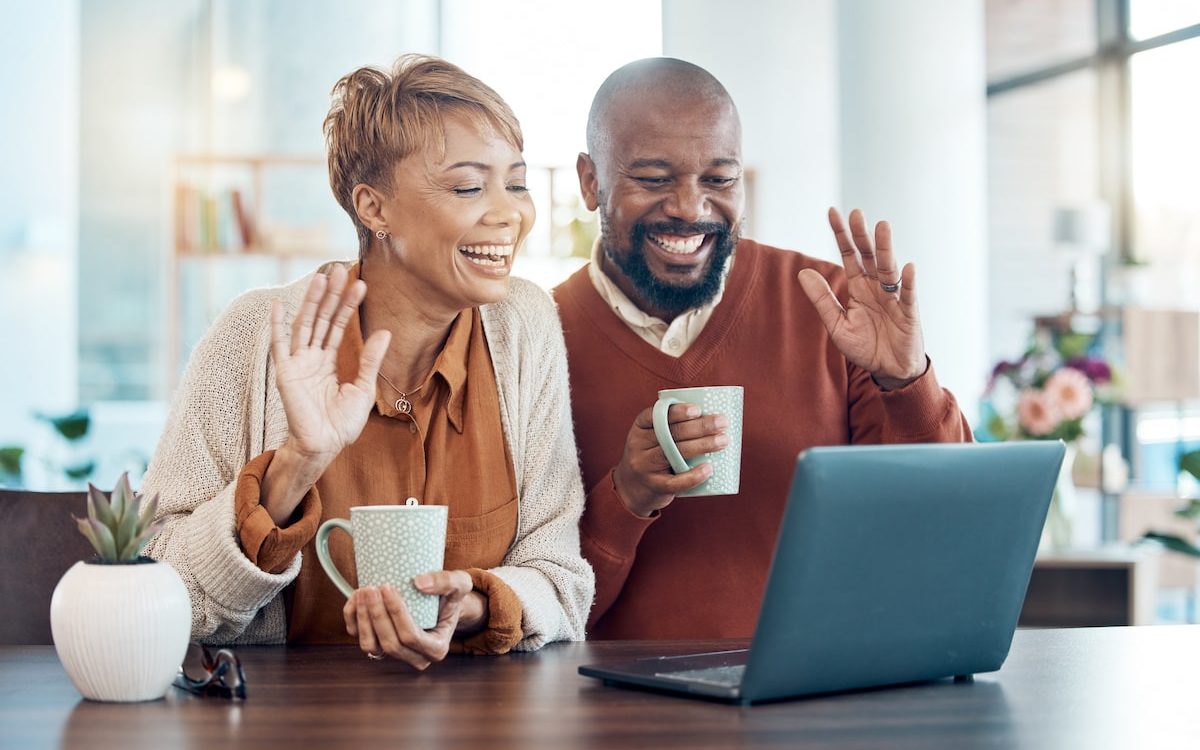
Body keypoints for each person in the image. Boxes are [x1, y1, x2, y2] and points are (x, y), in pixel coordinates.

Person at [142, 55, 592, 668]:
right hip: (286, 720)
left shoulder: (525, 326)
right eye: (467, 186)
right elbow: (162, 588)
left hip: (482, 721)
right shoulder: (254, 336)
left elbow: (563, 576)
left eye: (515, 183)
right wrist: (297, 465)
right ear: (373, 208)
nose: (509, 212)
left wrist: (478, 605)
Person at [551, 58, 971, 640]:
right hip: (620, 714)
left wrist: (906, 381)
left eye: (719, 179)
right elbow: (534, 610)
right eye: (653, 179)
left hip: (813, 705)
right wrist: (626, 496)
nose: (690, 208)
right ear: (591, 181)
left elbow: (946, 538)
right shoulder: (539, 338)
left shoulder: (835, 308)